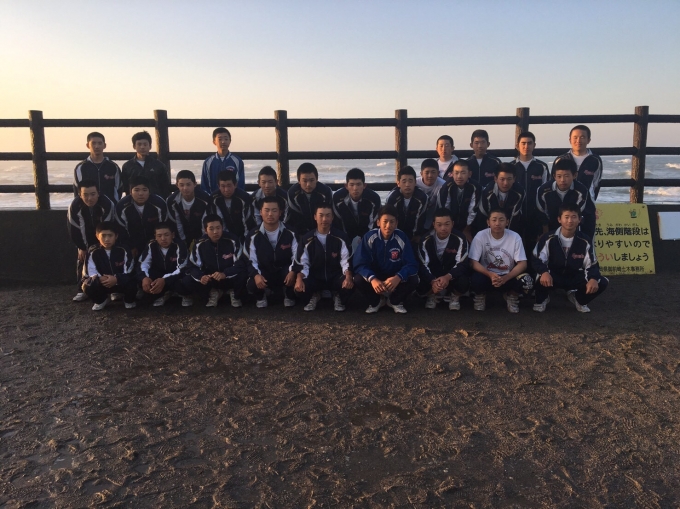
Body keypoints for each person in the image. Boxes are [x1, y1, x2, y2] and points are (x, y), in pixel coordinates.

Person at [532, 203, 609, 313]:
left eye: (574, 217)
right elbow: (536, 259)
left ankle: (578, 298)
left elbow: (592, 264)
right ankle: (542, 298)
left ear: (579, 220)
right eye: (566, 217)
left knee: (601, 281)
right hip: (553, 275)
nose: (570, 221)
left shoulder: (585, 240)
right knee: (539, 275)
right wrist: (544, 272)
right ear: (559, 219)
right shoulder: (548, 238)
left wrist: (592, 278)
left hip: (574, 275)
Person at [353, 204, 419, 314]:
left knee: (414, 279)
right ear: (378, 222)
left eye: (392, 222)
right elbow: (359, 263)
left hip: (394, 277)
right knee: (358, 279)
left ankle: (394, 301)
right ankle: (377, 301)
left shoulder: (401, 237)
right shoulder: (369, 237)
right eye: (385, 221)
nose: (388, 226)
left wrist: (398, 277)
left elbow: (411, 264)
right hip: (376, 276)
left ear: (396, 223)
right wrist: (373, 279)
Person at [469, 209, 533, 313]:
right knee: (475, 278)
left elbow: (522, 263)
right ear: (488, 222)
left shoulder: (515, 237)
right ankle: (480, 296)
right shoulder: (481, 235)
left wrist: (506, 278)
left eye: (501, 220)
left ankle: (511, 296)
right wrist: (490, 274)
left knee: (527, 280)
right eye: (494, 220)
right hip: (487, 276)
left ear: (507, 222)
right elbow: (473, 261)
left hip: (508, 276)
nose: (497, 223)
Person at [295, 204, 353, 312]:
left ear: (332, 217)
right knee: (299, 287)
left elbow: (346, 261)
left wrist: (348, 276)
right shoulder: (307, 239)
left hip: (335, 276)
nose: (324, 219)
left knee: (349, 284)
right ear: (315, 217)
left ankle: (337, 295)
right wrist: (299, 279)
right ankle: (315, 295)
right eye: (321, 215)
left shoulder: (341, 237)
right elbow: (303, 263)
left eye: (328, 215)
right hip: (315, 277)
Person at [180, 214, 247, 308]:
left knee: (243, 273)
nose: (215, 232)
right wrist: (201, 277)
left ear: (222, 228)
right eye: (211, 229)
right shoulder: (200, 243)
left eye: (218, 228)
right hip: (211, 278)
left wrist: (225, 274)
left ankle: (235, 294)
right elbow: (192, 266)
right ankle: (212, 293)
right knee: (187, 280)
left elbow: (240, 263)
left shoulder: (233, 240)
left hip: (229, 276)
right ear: (205, 230)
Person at [244, 197, 298, 308]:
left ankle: (288, 294)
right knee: (252, 283)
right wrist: (256, 275)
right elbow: (250, 259)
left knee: (297, 276)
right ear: (260, 212)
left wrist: (292, 271)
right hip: (265, 270)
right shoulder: (253, 235)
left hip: (284, 270)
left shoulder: (291, 232)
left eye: (274, 210)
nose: (270, 214)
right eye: (266, 210)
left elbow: (297, 256)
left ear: (280, 213)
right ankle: (261, 296)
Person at [68, 180, 116, 302]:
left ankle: (113, 289)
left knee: (107, 257)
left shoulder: (107, 204)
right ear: (80, 195)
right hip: (85, 236)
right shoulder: (75, 206)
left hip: (104, 236)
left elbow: (106, 227)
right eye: (85, 194)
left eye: (93, 194)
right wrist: (82, 247)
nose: (89, 198)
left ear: (98, 193)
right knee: (82, 258)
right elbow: (74, 228)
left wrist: (101, 246)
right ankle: (82, 289)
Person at [417, 208, 470, 311]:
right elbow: (423, 264)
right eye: (439, 225)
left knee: (464, 282)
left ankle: (454, 295)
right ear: (434, 224)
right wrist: (432, 281)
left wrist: (447, 277)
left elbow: (462, 263)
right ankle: (432, 294)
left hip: (451, 274)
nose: (443, 228)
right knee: (419, 283)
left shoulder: (460, 238)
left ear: (452, 224)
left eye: (447, 224)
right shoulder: (425, 240)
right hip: (433, 273)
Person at [81, 221, 137, 311]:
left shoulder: (124, 249)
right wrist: (100, 278)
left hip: (120, 282)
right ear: (97, 236)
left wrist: (116, 279)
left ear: (116, 236)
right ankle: (101, 300)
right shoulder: (93, 251)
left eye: (110, 235)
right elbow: (89, 272)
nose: (107, 239)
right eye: (103, 236)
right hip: (102, 283)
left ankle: (128, 300)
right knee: (87, 285)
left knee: (133, 282)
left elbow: (129, 271)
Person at [536, 158, 596, 239]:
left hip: (573, 226)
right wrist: (546, 235)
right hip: (550, 226)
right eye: (559, 176)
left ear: (575, 175)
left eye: (566, 176)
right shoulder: (543, 190)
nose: (562, 180)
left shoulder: (581, 191)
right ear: (554, 176)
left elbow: (577, 216)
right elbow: (541, 213)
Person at [510, 131, 549, 252]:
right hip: (515, 215)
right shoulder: (511, 167)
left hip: (536, 214)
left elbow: (546, 192)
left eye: (529, 143)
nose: (526, 146)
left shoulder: (541, 167)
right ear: (517, 146)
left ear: (534, 145)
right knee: (515, 247)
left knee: (535, 248)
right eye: (523, 143)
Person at [137, 223, 190, 307]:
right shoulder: (151, 245)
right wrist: (144, 277)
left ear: (172, 235)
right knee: (143, 280)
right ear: (155, 236)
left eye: (166, 235)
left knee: (185, 281)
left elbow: (182, 268)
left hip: (176, 276)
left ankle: (185, 295)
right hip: (160, 274)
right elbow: (143, 264)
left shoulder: (180, 245)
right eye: (159, 236)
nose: (163, 238)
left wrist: (164, 279)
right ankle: (165, 293)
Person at [115, 176, 168, 257]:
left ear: (149, 191)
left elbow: (164, 226)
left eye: (144, 190)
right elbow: (122, 230)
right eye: (136, 190)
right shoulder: (122, 206)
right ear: (130, 192)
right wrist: (131, 247)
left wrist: (156, 245)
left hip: (155, 243)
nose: (140, 193)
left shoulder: (159, 204)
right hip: (132, 244)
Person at [331, 168, 381, 246]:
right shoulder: (337, 198)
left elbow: (373, 224)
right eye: (351, 185)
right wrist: (345, 241)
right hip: (345, 234)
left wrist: (365, 241)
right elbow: (338, 223)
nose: (355, 188)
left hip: (367, 234)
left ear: (364, 185)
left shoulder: (374, 199)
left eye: (358, 184)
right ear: (346, 186)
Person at [553, 125, 603, 201]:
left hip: (587, 202)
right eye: (575, 137)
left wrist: (591, 200)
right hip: (565, 203)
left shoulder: (595, 160)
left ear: (588, 140)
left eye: (582, 137)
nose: (578, 141)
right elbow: (554, 182)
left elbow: (596, 184)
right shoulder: (561, 159)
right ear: (570, 140)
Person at [437, 159, 480, 243]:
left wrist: (467, 229)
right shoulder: (446, 187)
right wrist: (450, 228)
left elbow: (473, 210)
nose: (459, 176)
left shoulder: (475, 187)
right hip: (449, 224)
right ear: (452, 174)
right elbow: (444, 209)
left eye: (463, 173)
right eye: (456, 173)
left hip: (469, 225)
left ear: (469, 174)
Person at [285, 162, 333, 237]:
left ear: (317, 179)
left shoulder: (326, 191)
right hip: (300, 230)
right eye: (304, 181)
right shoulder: (292, 193)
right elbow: (295, 217)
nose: (308, 184)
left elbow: (327, 215)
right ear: (299, 181)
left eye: (312, 180)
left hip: (322, 228)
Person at [73, 132, 123, 203]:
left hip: (109, 207)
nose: (97, 146)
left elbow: (118, 188)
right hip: (88, 206)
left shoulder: (113, 167)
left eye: (100, 143)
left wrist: (113, 204)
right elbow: (77, 190)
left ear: (104, 145)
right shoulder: (81, 168)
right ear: (88, 145)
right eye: (93, 143)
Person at [166, 170, 211, 248]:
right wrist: (182, 240)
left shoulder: (205, 199)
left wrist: (203, 240)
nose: (185, 188)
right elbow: (177, 222)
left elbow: (205, 221)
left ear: (195, 184)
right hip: (181, 233)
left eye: (188, 184)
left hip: (200, 231)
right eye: (181, 185)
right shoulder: (171, 201)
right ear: (177, 185)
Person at [476, 163, 525, 234]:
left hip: (511, 230)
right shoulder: (487, 192)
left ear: (514, 179)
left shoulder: (519, 192)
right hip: (489, 230)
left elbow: (514, 218)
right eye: (502, 179)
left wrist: (509, 236)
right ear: (495, 179)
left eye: (509, 179)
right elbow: (483, 216)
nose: (506, 183)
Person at [208, 170, 256, 243]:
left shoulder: (244, 198)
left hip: (243, 233)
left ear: (235, 185)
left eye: (229, 185)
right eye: (223, 186)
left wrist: (246, 241)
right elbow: (219, 221)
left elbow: (247, 222)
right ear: (218, 186)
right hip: (223, 235)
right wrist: (226, 239)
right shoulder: (214, 199)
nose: (226, 190)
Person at [121, 131, 170, 198]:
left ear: (150, 146)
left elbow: (165, 187)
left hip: (155, 200)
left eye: (145, 144)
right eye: (139, 144)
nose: (142, 147)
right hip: (134, 200)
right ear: (134, 146)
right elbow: (125, 186)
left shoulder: (159, 166)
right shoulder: (127, 166)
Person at [385, 166, 428, 244]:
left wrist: (416, 235)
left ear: (415, 182)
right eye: (404, 181)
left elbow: (420, 219)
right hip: (394, 234)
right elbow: (390, 218)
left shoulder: (422, 197)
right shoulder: (392, 198)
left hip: (414, 235)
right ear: (398, 183)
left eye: (410, 181)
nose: (407, 185)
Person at [200, 127, 246, 194]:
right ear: (214, 142)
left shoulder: (237, 161)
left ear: (230, 141)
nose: (223, 142)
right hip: (213, 198)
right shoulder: (208, 162)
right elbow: (204, 185)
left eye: (226, 139)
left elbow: (240, 184)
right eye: (220, 139)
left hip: (233, 198)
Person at [417, 158, 447, 230]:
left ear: (438, 173)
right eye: (427, 172)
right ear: (421, 174)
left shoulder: (443, 185)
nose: (430, 175)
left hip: (435, 216)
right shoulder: (415, 183)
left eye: (433, 172)